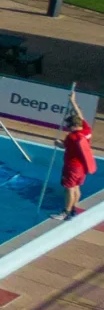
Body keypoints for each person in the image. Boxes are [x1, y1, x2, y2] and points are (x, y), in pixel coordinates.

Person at [51, 91, 95, 221]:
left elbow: (63, 146)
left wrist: (57, 143)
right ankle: (74, 209)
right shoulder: (87, 130)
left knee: (69, 188)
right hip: (82, 167)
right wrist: (73, 102)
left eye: (69, 126)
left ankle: (66, 213)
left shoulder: (72, 137)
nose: (67, 128)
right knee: (76, 187)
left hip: (72, 166)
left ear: (74, 126)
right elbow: (80, 116)